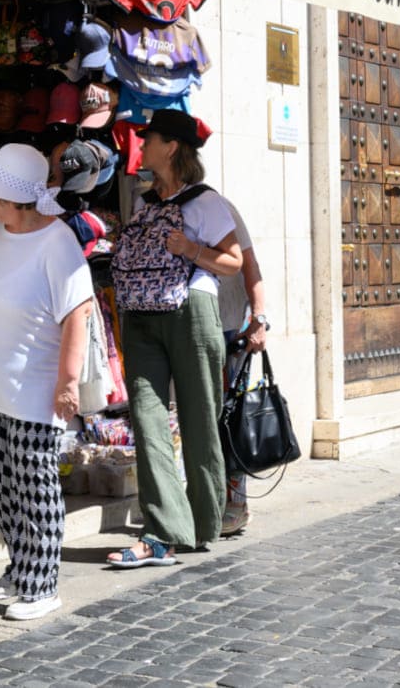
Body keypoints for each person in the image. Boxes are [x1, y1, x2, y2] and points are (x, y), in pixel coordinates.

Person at [0, 143, 93, 620]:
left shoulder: (58, 242)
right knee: (3, 486)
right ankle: (20, 569)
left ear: (18, 200)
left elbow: (79, 311)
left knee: (36, 487)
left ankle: (43, 584)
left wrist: (68, 382)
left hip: (33, 387)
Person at [106, 109, 243, 568]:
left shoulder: (205, 202)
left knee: (200, 416)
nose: (141, 147)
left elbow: (235, 262)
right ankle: (164, 528)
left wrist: (191, 250)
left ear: (172, 148)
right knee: (146, 419)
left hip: (191, 311)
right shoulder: (146, 203)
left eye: (149, 140)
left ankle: (203, 523)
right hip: (141, 314)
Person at [218, 200, 269, 536]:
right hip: (193, 327)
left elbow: (250, 265)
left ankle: (236, 504)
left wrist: (259, 318)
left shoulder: (220, 208)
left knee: (230, 418)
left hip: (230, 325)